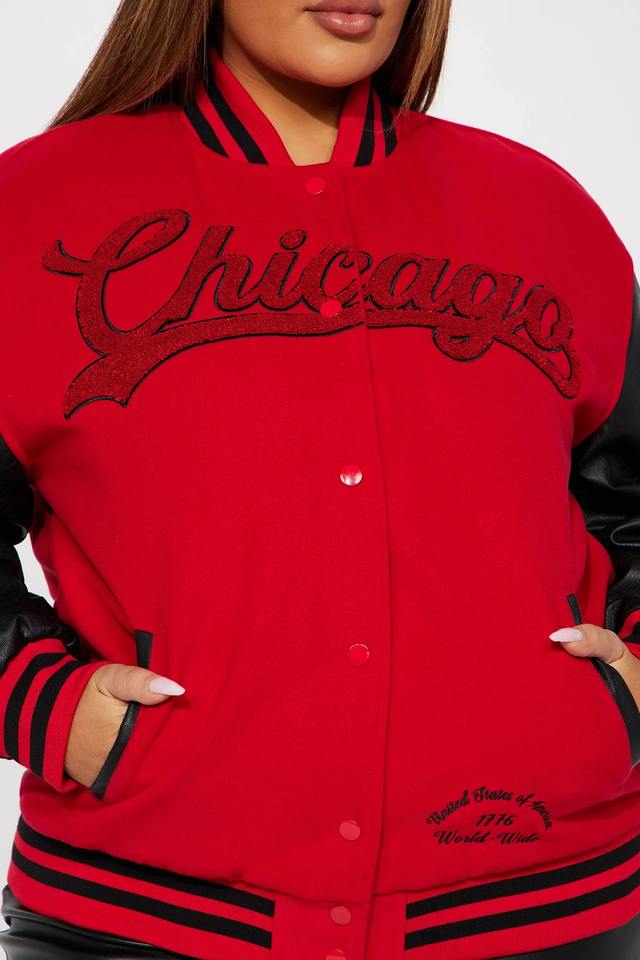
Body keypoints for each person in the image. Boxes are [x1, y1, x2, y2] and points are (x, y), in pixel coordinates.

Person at [0, 0, 639, 957]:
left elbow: (629, 500)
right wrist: (43, 705)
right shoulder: (31, 207)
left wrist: (627, 685)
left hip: (547, 901)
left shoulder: (539, 207)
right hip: (142, 911)